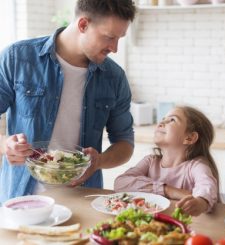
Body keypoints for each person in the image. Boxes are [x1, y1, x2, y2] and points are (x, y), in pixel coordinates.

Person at [0, 0, 136, 204]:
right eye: (109, 37)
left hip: (82, 201)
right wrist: (5, 145)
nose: (114, 48)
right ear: (83, 25)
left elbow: (125, 143)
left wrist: (99, 161)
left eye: (119, 39)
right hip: (22, 198)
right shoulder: (17, 58)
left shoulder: (114, 77)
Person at [114, 106, 219, 216]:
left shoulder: (196, 166)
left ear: (189, 138)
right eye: (163, 119)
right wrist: (168, 190)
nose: (161, 122)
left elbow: (207, 186)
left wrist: (201, 202)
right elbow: (120, 183)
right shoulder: (150, 161)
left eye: (172, 120)